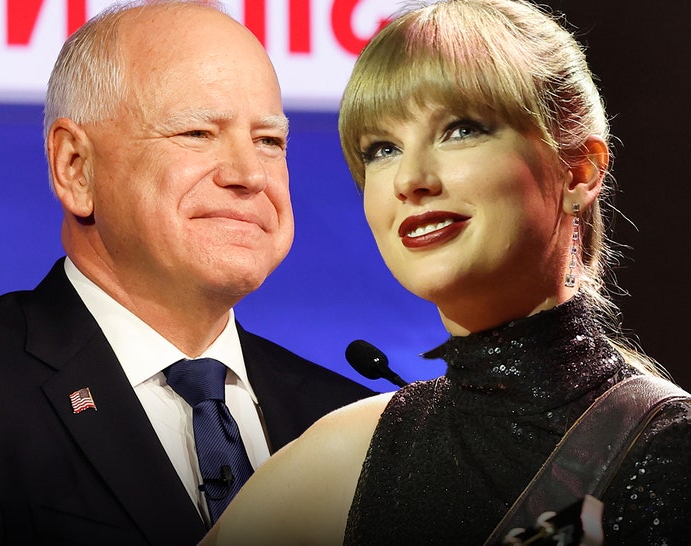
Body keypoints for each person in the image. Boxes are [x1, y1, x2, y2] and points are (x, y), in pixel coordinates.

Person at [201, 0, 691, 544]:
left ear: (578, 169)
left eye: (460, 131)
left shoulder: (668, 450)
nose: (410, 178)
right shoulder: (335, 462)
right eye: (382, 149)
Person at [0, 1, 374, 544]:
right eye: (197, 133)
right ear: (76, 168)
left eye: (269, 141)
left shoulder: (349, 423)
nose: (250, 174)